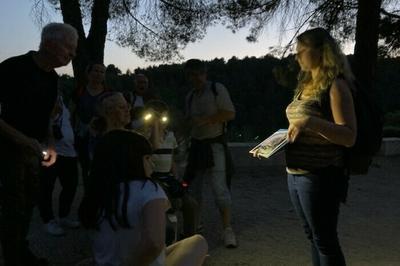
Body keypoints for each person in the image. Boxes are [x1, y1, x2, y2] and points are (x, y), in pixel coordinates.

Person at [79, 92, 208, 266]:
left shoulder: (96, 193)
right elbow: (154, 244)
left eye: (127, 106)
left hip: (111, 243)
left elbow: (150, 147)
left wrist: (154, 124)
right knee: (196, 242)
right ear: (108, 111)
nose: (128, 110)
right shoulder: (145, 186)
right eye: (123, 107)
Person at [0, 22, 78, 266]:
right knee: (13, 208)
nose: (72, 55)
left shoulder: (53, 79)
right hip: (8, 150)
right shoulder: (12, 68)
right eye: (69, 49)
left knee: (28, 204)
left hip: (34, 150)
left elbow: (47, 116)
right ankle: (14, 259)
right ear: (49, 43)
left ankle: (21, 251)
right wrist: (23, 140)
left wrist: (51, 143)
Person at [285, 28, 356, 266]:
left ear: (320, 52)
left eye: (301, 51)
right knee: (313, 237)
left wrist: (310, 122)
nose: (296, 57)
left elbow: (348, 136)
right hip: (295, 174)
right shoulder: (306, 85)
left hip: (320, 175)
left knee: (324, 240)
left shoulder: (335, 86)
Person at [184, 59, 237, 248]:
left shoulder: (216, 89)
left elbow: (230, 113)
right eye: (192, 74)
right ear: (188, 76)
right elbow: (190, 120)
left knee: (219, 190)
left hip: (215, 145)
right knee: (193, 190)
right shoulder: (190, 96)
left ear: (205, 74)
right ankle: (195, 228)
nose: (197, 78)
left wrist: (205, 121)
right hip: (196, 146)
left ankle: (227, 230)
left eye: (199, 73)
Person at [38, 94, 80, 236]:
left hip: (69, 152)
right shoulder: (44, 99)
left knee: (71, 185)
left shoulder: (63, 101)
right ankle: (48, 220)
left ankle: (63, 216)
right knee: (47, 186)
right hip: (51, 150)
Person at [74, 62, 108, 187]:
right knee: (85, 168)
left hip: (102, 137)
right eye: (96, 71)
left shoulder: (109, 93)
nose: (98, 74)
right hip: (82, 137)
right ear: (88, 74)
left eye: (102, 72)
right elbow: (73, 113)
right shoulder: (79, 91)